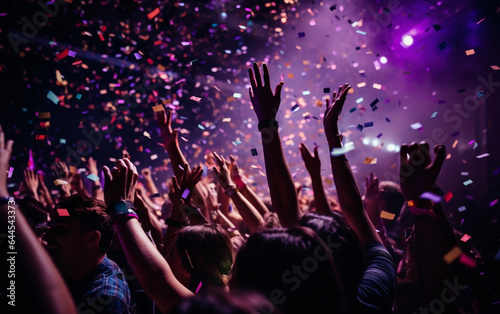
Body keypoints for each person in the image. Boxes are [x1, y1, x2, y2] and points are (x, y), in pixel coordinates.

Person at [43, 194, 134, 313]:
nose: (47, 235)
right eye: (50, 227)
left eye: (61, 229)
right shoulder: (74, 270)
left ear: (92, 238)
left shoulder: (104, 298)